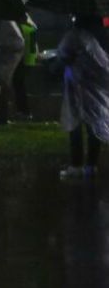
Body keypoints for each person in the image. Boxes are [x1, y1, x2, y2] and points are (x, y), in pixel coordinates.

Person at [55, 13, 109, 180]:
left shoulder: (74, 35)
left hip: (78, 85)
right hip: (97, 85)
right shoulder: (97, 36)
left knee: (75, 124)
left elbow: (62, 54)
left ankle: (76, 165)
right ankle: (91, 165)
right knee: (94, 124)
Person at [0, 18, 25, 125]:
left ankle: (1, 118)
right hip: (4, 54)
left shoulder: (4, 22)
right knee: (2, 85)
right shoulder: (1, 21)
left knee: (3, 85)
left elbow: (14, 43)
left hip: (7, 56)